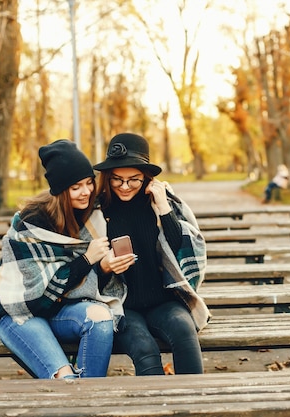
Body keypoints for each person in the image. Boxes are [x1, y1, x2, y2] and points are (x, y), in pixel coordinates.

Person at [0, 139, 132, 379]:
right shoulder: (31, 223)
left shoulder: (90, 215)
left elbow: (127, 195)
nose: (86, 191)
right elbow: (35, 299)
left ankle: (92, 396)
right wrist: (86, 260)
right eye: (76, 187)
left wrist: (103, 267)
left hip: (62, 309)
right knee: (66, 379)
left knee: (101, 317)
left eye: (88, 183)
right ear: (61, 191)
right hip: (20, 313)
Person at [93, 132, 210, 376]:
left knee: (184, 331)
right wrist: (106, 267)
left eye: (133, 180)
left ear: (147, 178)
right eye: (116, 180)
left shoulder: (162, 203)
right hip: (122, 304)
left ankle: (193, 405)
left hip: (163, 301)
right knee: (144, 347)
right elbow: (86, 271)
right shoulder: (96, 211)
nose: (124, 187)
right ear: (107, 178)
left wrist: (164, 208)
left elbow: (182, 248)